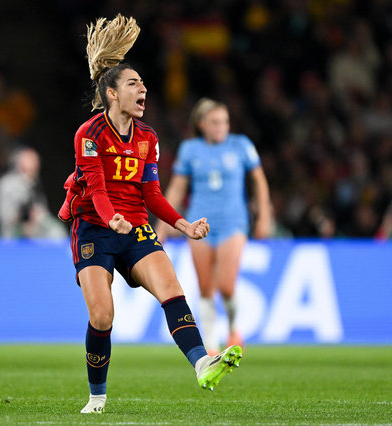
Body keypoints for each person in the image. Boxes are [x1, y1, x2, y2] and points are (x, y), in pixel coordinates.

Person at [57, 15, 242, 414]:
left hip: (135, 227)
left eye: (142, 83)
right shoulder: (89, 134)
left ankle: (202, 364)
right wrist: (111, 220)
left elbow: (152, 194)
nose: (143, 88)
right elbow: (97, 187)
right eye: (132, 83)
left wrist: (183, 224)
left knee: (172, 290)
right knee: (103, 317)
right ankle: (97, 395)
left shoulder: (148, 138)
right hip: (94, 228)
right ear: (110, 93)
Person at [156, 98, 272, 355]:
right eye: (215, 122)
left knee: (227, 285)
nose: (222, 127)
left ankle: (233, 328)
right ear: (202, 124)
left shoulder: (241, 146)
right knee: (205, 286)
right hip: (199, 225)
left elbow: (259, 180)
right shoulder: (190, 149)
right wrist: (164, 225)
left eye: (225, 122)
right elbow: (177, 187)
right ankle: (210, 346)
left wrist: (264, 215)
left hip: (233, 222)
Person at [0, 147, 66, 239]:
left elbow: (42, 212)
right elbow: (2, 218)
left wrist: (37, 216)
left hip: (35, 229)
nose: (35, 167)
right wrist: (21, 217)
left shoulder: (36, 184)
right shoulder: (5, 184)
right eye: (31, 162)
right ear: (20, 165)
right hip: (12, 230)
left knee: (56, 231)